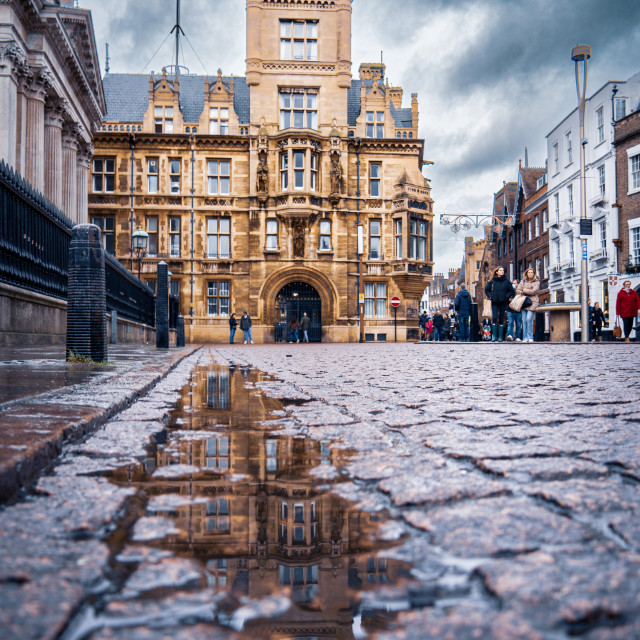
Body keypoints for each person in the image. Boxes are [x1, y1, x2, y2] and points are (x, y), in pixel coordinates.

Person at [484, 266, 515, 342]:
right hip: (494, 302)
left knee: (501, 318)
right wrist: (490, 296)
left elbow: (511, 291)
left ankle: (500, 337)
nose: (502, 271)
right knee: (494, 318)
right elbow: (486, 290)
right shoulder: (492, 281)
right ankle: (494, 337)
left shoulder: (507, 282)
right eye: (500, 270)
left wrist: (506, 297)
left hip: (503, 302)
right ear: (497, 272)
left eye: (503, 270)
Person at [517, 267, 540, 343]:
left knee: (529, 319)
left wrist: (524, 290)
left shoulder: (537, 281)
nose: (530, 274)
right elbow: (518, 290)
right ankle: (525, 337)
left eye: (531, 272)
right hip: (524, 302)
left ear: (534, 274)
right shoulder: (523, 281)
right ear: (526, 273)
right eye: (529, 272)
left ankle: (530, 337)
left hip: (533, 302)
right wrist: (525, 291)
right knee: (524, 320)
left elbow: (533, 291)